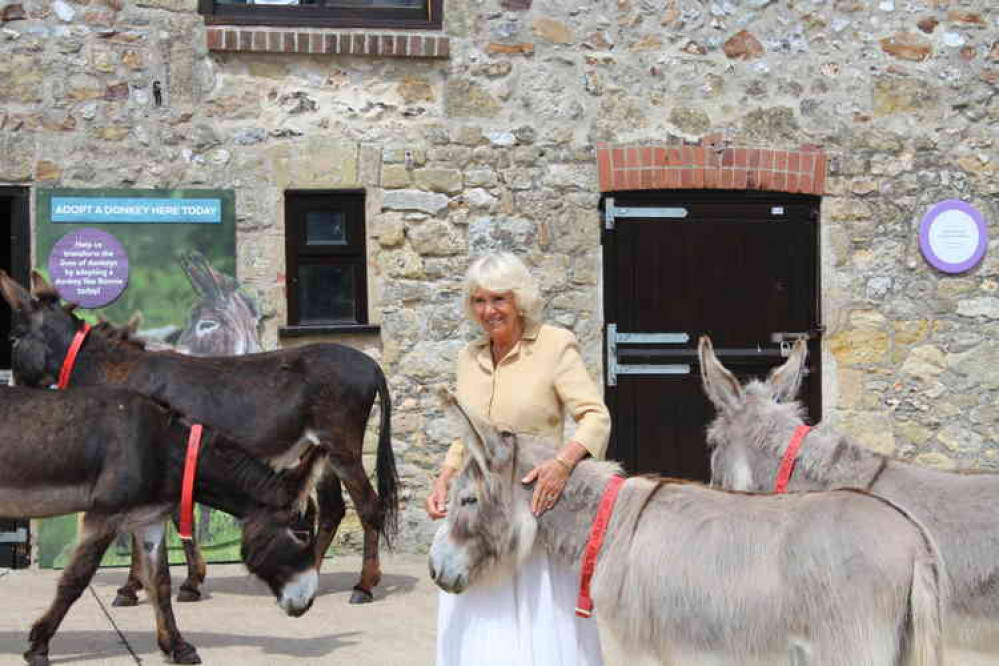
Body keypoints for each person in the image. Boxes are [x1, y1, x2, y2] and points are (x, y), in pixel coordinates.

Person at [425, 251, 611, 666]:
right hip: (476, 509)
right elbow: (466, 435)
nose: (488, 310)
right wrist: (445, 477)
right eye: (479, 300)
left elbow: (595, 417)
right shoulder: (468, 358)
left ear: (519, 300)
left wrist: (562, 464)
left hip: (533, 506)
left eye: (498, 299)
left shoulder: (554, 344)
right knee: (473, 609)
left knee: (539, 613)